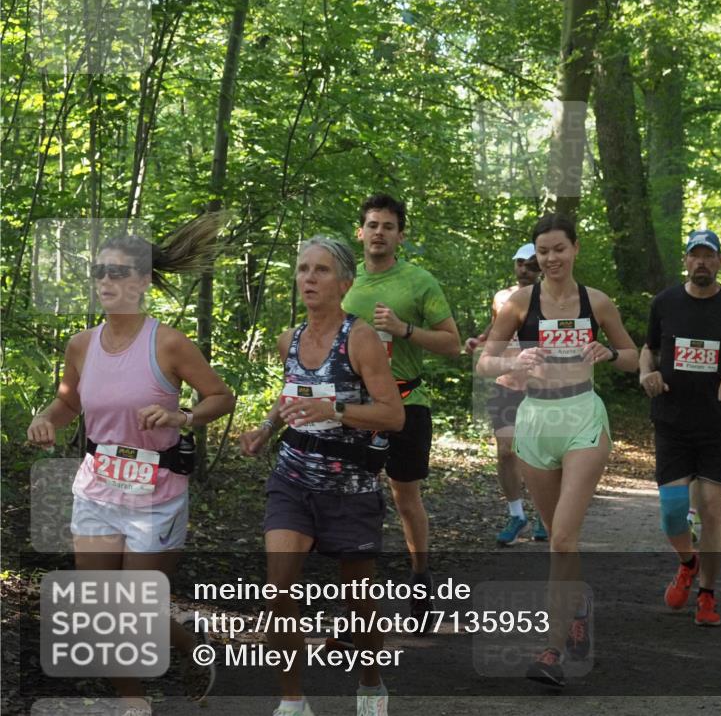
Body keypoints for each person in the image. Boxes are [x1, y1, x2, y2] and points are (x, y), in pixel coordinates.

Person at [26, 218, 236, 716]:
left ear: (142, 283)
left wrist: (182, 416)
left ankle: (190, 647)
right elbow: (67, 405)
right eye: (100, 271)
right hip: (98, 489)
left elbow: (221, 396)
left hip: (156, 495)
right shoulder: (81, 344)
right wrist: (44, 418)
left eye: (118, 273)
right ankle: (132, 701)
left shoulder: (168, 343)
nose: (106, 282)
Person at [239, 236, 405, 716]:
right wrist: (266, 429)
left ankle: (371, 684)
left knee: (358, 602)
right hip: (292, 478)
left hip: (349, 487)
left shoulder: (360, 339)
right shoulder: (288, 339)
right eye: (303, 269)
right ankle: (293, 701)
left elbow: (392, 415)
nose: (308, 278)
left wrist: (332, 407)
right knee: (279, 588)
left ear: (345, 282)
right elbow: (291, 392)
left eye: (321, 270)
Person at [476, 214, 638, 687]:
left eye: (558, 249)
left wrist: (610, 353)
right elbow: (485, 360)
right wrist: (514, 360)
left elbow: (633, 356)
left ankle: (552, 651)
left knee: (564, 537)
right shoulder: (519, 304)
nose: (550, 259)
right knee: (556, 542)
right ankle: (579, 607)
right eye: (542, 252)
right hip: (535, 421)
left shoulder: (598, 302)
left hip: (582, 416)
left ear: (575, 249)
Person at [639, 229, 721, 627]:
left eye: (708, 256)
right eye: (695, 255)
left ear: (720, 261)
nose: (701, 263)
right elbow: (649, 349)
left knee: (711, 509)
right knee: (672, 515)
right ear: (686, 260)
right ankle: (688, 562)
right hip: (672, 421)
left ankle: (708, 596)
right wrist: (646, 373)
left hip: (716, 425)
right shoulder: (665, 303)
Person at [342, 194, 461, 620]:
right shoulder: (343, 281)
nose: (379, 233)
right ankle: (358, 595)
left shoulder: (418, 282)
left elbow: (452, 343)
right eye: (372, 225)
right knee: (351, 496)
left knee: (405, 496)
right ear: (360, 232)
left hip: (408, 402)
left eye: (388, 227)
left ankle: (420, 575)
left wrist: (404, 329)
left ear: (400, 236)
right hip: (353, 407)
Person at [464, 243, 548, 545]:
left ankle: (543, 512)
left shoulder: (549, 299)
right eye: (519, 263)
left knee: (539, 453)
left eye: (530, 264)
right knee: (506, 451)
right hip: (506, 382)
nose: (524, 269)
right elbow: (497, 326)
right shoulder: (502, 297)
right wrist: (481, 339)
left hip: (540, 386)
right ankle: (516, 514)